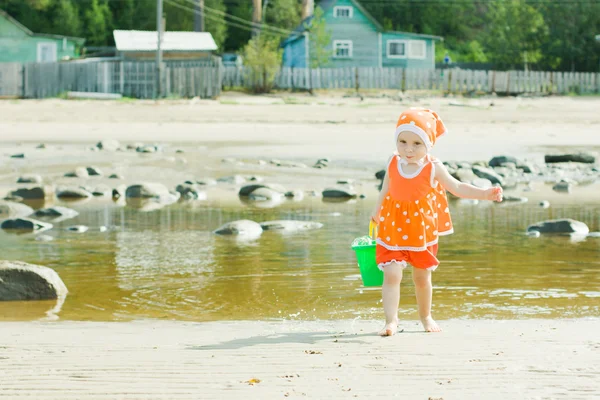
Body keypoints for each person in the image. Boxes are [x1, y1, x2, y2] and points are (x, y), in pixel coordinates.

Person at [370, 108, 503, 336]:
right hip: (392, 225)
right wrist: (376, 210)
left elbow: (457, 187)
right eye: (402, 141)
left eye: (416, 143)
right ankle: (391, 321)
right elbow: (386, 187)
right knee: (392, 274)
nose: (408, 149)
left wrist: (485, 193)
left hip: (421, 231)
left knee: (422, 278)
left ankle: (425, 316)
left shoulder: (432, 167)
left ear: (428, 144)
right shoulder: (393, 161)